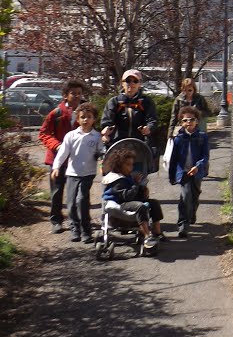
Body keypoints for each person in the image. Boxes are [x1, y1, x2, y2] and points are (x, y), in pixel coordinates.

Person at [38, 79, 87, 234]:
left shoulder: (85, 113)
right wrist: (57, 146)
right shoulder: (56, 113)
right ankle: (56, 220)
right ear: (65, 95)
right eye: (73, 93)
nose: (77, 96)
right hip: (57, 159)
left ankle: (77, 220)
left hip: (77, 160)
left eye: (79, 93)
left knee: (78, 192)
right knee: (57, 191)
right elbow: (44, 133)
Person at [50, 103, 102, 243]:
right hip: (72, 173)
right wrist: (56, 167)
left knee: (82, 200)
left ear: (94, 119)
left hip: (88, 174)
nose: (86, 120)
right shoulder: (71, 135)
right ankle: (75, 229)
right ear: (77, 120)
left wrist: (103, 162)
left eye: (89, 117)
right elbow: (63, 153)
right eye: (83, 117)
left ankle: (86, 231)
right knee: (71, 203)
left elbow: (101, 153)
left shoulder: (96, 137)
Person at [101, 145, 164, 247]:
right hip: (119, 204)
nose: (131, 167)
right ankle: (147, 236)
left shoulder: (127, 177)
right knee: (141, 206)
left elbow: (133, 195)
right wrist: (136, 184)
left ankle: (158, 232)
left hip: (127, 201)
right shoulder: (117, 180)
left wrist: (143, 190)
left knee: (154, 203)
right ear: (119, 165)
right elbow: (127, 196)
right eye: (128, 165)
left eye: (132, 165)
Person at [167, 105, 209, 238]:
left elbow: (205, 156)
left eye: (191, 120)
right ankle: (183, 225)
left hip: (197, 171)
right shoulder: (179, 139)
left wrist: (198, 166)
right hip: (183, 172)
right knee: (185, 196)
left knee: (194, 196)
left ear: (197, 121)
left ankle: (192, 213)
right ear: (181, 122)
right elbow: (173, 159)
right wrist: (172, 175)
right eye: (185, 120)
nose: (188, 123)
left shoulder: (202, 137)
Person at [100, 69, 158, 158]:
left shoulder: (147, 102)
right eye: (128, 81)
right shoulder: (114, 102)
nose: (131, 83)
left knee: (138, 171)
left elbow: (152, 120)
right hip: (118, 147)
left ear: (140, 84)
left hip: (139, 147)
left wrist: (148, 128)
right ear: (122, 83)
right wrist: (106, 131)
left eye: (135, 81)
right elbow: (107, 121)